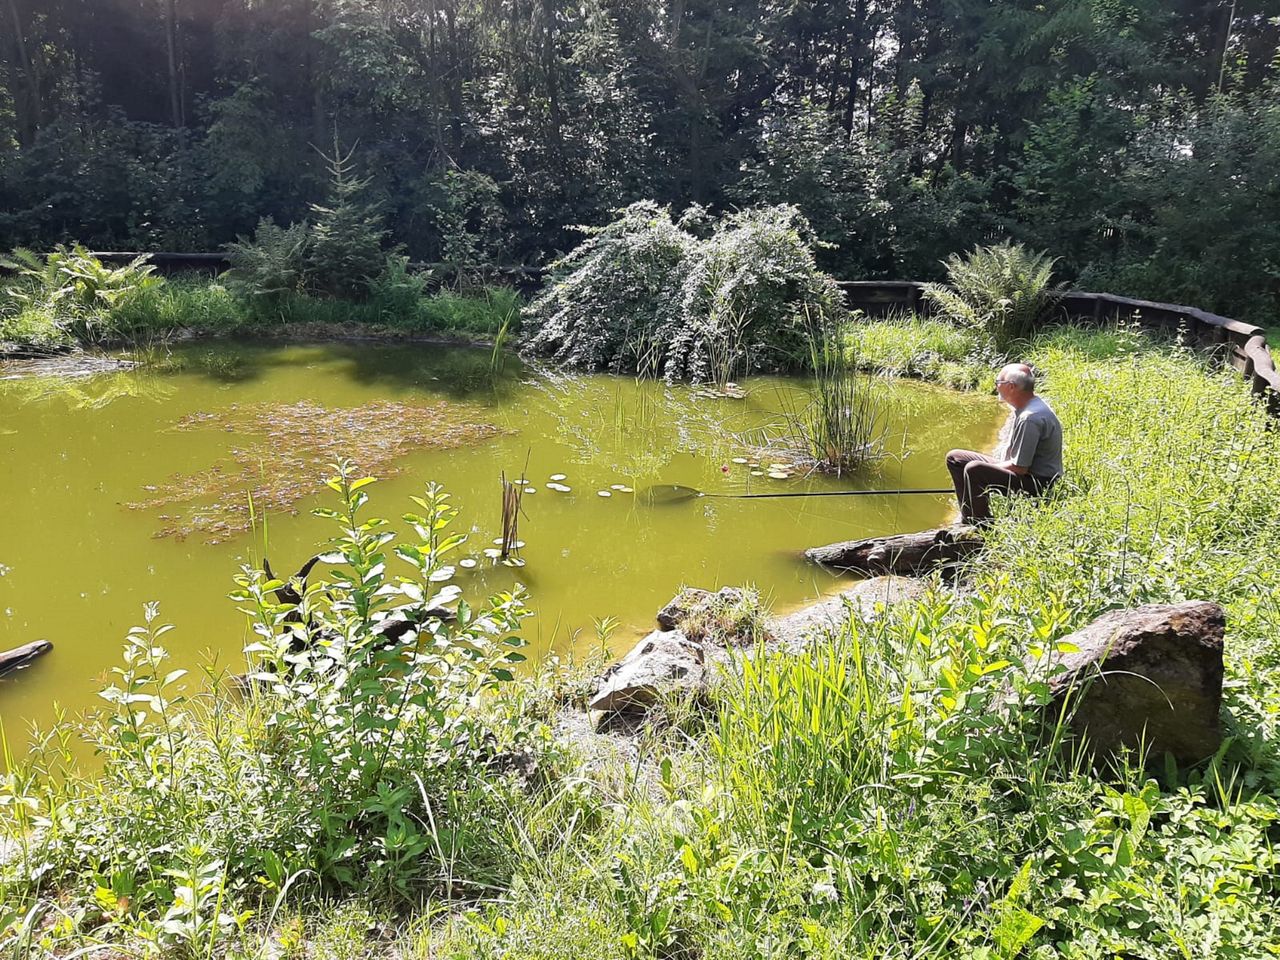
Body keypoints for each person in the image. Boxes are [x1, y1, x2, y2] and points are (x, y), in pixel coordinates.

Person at [945, 363, 1063, 524]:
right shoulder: (1028, 406)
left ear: (1012, 387)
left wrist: (981, 470)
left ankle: (981, 527)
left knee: (974, 469)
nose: (996, 386)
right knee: (956, 458)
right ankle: (968, 517)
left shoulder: (1030, 418)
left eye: (998, 382)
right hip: (1026, 473)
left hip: (1038, 484)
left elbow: (1019, 468)